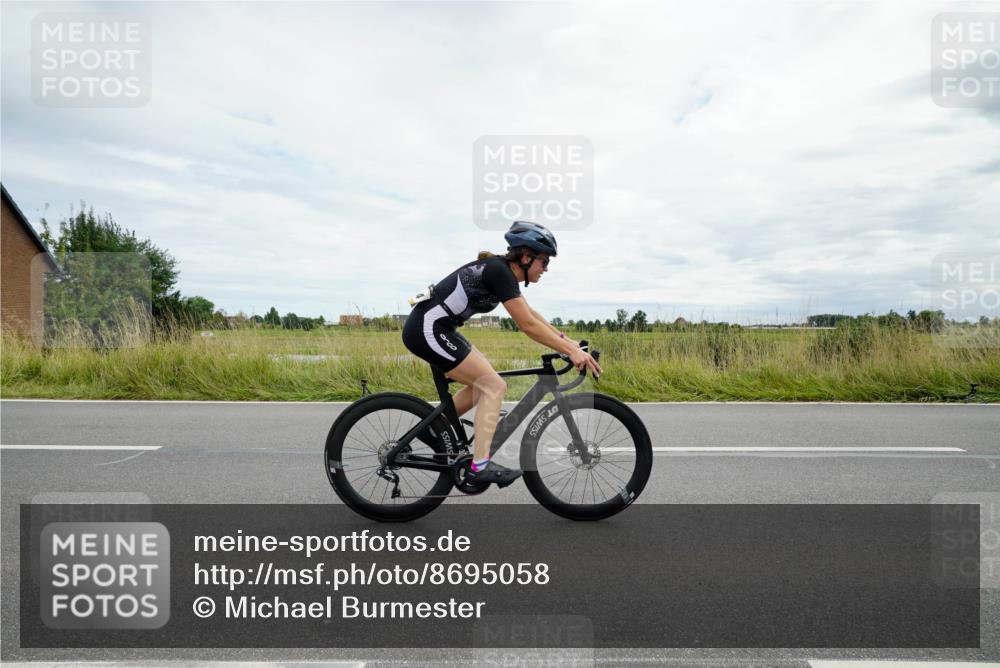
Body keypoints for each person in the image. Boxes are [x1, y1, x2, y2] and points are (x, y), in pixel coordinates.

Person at [401, 221, 602, 487]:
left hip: (439, 328)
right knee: (493, 386)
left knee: (485, 383)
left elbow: (532, 316)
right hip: (427, 329)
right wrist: (570, 351)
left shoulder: (502, 273)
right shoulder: (498, 270)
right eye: (544, 262)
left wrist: (569, 343)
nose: (546, 269)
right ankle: (478, 467)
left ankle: (432, 429)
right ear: (527, 257)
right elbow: (527, 326)